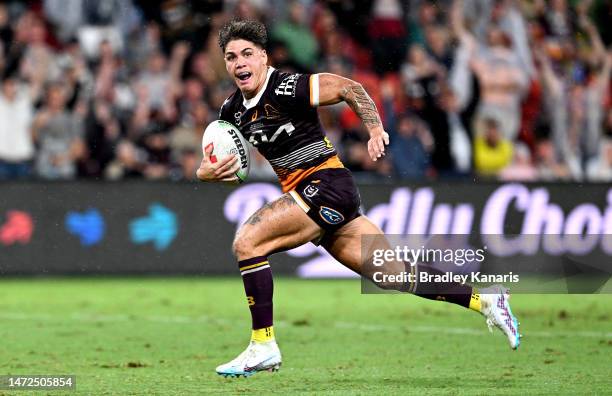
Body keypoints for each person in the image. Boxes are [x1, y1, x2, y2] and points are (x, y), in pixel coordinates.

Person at [196, 20, 521, 378]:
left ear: (263, 57)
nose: (239, 63)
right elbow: (220, 163)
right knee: (394, 274)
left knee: (248, 242)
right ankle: (487, 300)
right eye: (231, 57)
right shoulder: (232, 112)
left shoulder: (288, 87)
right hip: (312, 196)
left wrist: (375, 127)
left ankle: (263, 344)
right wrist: (205, 174)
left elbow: (349, 88)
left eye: (247, 54)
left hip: (326, 184)